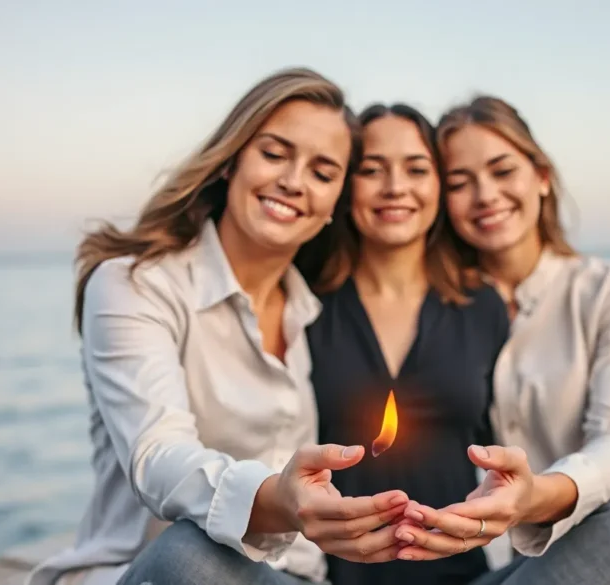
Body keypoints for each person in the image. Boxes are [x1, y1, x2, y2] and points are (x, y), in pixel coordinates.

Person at [26, 68, 410, 585]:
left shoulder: (314, 309)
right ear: (231, 161)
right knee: (191, 550)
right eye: (274, 154)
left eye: (322, 173)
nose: (293, 182)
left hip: (295, 577)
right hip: (161, 571)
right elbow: (158, 456)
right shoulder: (133, 284)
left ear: (333, 205)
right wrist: (280, 499)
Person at [385, 96, 610, 584]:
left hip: (568, 555)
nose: (485, 195)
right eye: (460, 183)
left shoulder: (608, 289)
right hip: (456, 566)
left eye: (503, 171)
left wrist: (535, 498)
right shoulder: (429, 300)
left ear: (541, 176)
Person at [304, 103, 510, 585]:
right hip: (331, 577)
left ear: (438, 186)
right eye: (371, 170)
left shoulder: (483, 306)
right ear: (345, 184)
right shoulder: (305, 304)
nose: (395, 187)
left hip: (470, 576)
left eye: (416, 169)